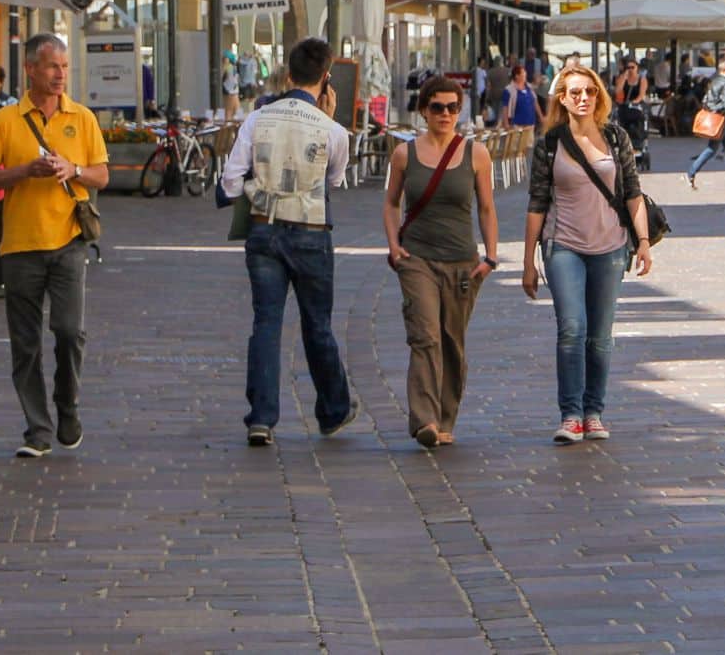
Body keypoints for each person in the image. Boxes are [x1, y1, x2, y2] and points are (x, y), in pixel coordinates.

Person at [0, 33, 110, 459]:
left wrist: (74, 169)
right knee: (25, 341)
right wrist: (24, 171)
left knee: (70, 331)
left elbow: (102, 176)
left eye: (64, 67)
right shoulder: (6, 121)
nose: (60, 74)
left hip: (69, 239)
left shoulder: (82, 118)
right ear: (30, 68)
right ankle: (37, 427)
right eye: (52, 66)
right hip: (20, 244)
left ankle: (67, 405)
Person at [219, 36, 358, 447]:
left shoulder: (257, 118)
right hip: (312, 232)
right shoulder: (333, 130)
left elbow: (229, 181)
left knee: (266, 323)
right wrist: (329, 120)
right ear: (326, 78)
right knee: (318, 325)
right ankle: (333, 411)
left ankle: (261, 417)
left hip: (264, 228)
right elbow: (333, 180)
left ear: (288, 74)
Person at [522, 63, 655, 445]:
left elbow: (632, 191)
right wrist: (529, 260)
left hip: (611, 246)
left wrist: (643, 242)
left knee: (600, 335)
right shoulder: (551, 143)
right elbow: (537, 201)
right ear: (561, 98)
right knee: (572, 329)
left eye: (590, 91)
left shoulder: (616, 137)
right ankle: (570, 414)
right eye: (575, 92)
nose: (583, 97)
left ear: (599, 95)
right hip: (563, 244)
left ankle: (594, 411)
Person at [383, 76, 498, 449]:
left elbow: (486, 208)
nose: (445, 114)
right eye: (437, 107)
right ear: (424, 111)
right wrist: (394, 246)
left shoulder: (475, 154)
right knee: (425, 335)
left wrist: (491, 257)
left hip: (462, 261)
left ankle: (446, 418)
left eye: (452, 107)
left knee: (452, 341)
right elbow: (391, 203)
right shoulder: (405, 155)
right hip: (417, 259)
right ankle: (425, 420)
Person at [684, 59, 725, 191]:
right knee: (712, 149)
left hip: (718, 120)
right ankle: (691, 173)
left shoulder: (714, 80)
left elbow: (706, 100)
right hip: (721, 120)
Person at [502, 64, 540, 152]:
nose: (525, 75)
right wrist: (506, 123)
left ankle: (527, 165)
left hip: (530, 124)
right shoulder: (509, 90)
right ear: (517, 76)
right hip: (516, 124)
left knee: (528, 148)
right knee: (515, 149)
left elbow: (535, 102)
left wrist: (541, 116)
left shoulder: (529, 88)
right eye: (523, 73)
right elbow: (505, 107)